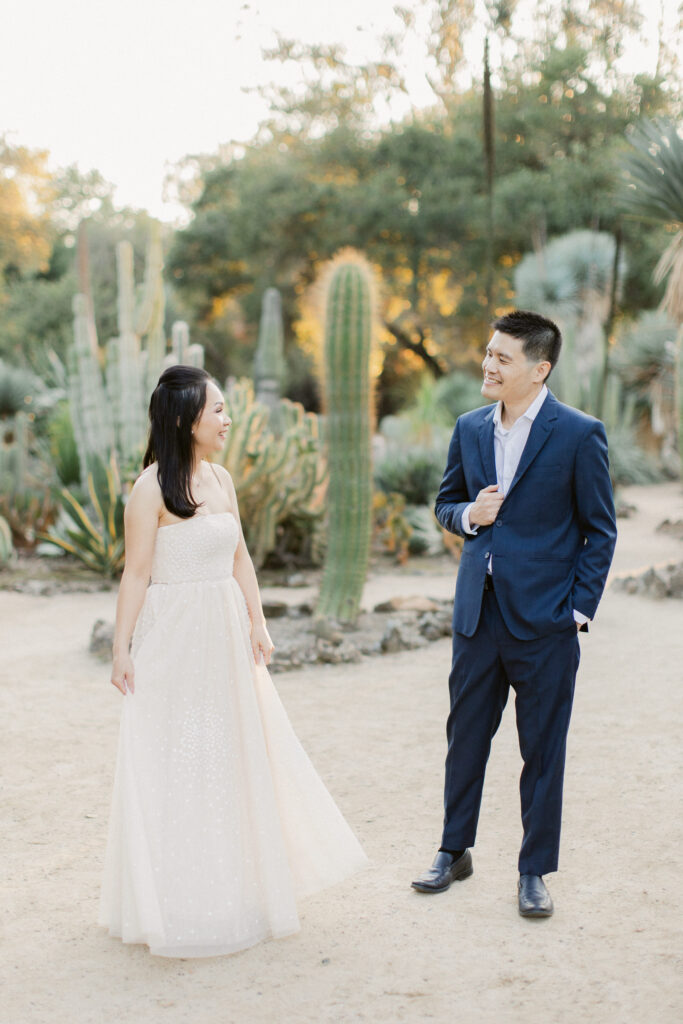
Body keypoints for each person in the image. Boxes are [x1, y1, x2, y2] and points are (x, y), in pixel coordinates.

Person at [99, 365, 367, 957]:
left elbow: (241, 554)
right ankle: (171, 899)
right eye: (216, 409)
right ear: (182, 419)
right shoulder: (149, 490)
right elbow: (136, 572)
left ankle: (233, 887)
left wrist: (258, 620)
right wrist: (121, 648)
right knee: (173, 758)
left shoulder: (221, 478)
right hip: (172, 638)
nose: (227, 419)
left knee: (230, 755)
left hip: (222, 637)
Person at [411, 310, 617, 917]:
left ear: (539, 368)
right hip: (478, 614)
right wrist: (470, 515)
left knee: (542, 749)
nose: (488, 365)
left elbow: (600, 532)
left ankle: (533, 871)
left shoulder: (579, 434)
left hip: (547, 623)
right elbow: (445, 504)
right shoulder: (470, 427)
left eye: (503, 358)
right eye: (488, 353)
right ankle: (454, 851)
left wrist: (576, 611)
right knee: (465, 737)